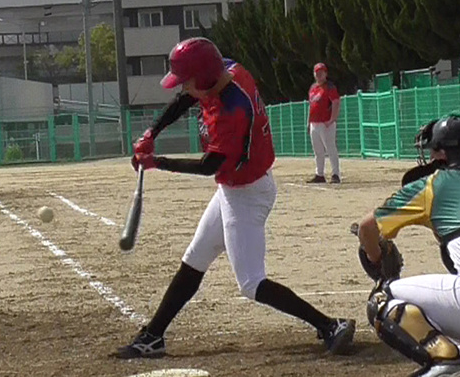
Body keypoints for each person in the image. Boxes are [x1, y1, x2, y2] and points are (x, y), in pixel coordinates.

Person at [115, 37, 356, 359]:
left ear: (204, 78)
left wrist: (156, 162)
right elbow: (186, 98)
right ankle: (153, 336)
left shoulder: (232, 111)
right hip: (234, 188)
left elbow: (209, 166)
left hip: (247, 194)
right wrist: (152, 132)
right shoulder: (225, 69)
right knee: (195, 259)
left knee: (251, 283)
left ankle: (330, 326)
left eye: (187, 80)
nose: (184, 87)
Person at [357, 114, 460, 377]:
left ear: (442, 155)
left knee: (382, 300)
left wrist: (376, 258)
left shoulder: (434, 184)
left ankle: (448, 362)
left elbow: (367, 227)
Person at [307, 63, 341, 184]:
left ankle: (335, 174)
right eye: (316, 72)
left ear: (326, 74)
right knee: (318, 151)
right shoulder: (313, 88)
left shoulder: (329, 87)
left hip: (326, 123)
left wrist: (332, 119)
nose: (319, 75)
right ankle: (319, 174)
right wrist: (308, 122)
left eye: (321, 72)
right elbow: (311, 105)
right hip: (314, 123)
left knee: (330, 148)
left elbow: (336, 102)